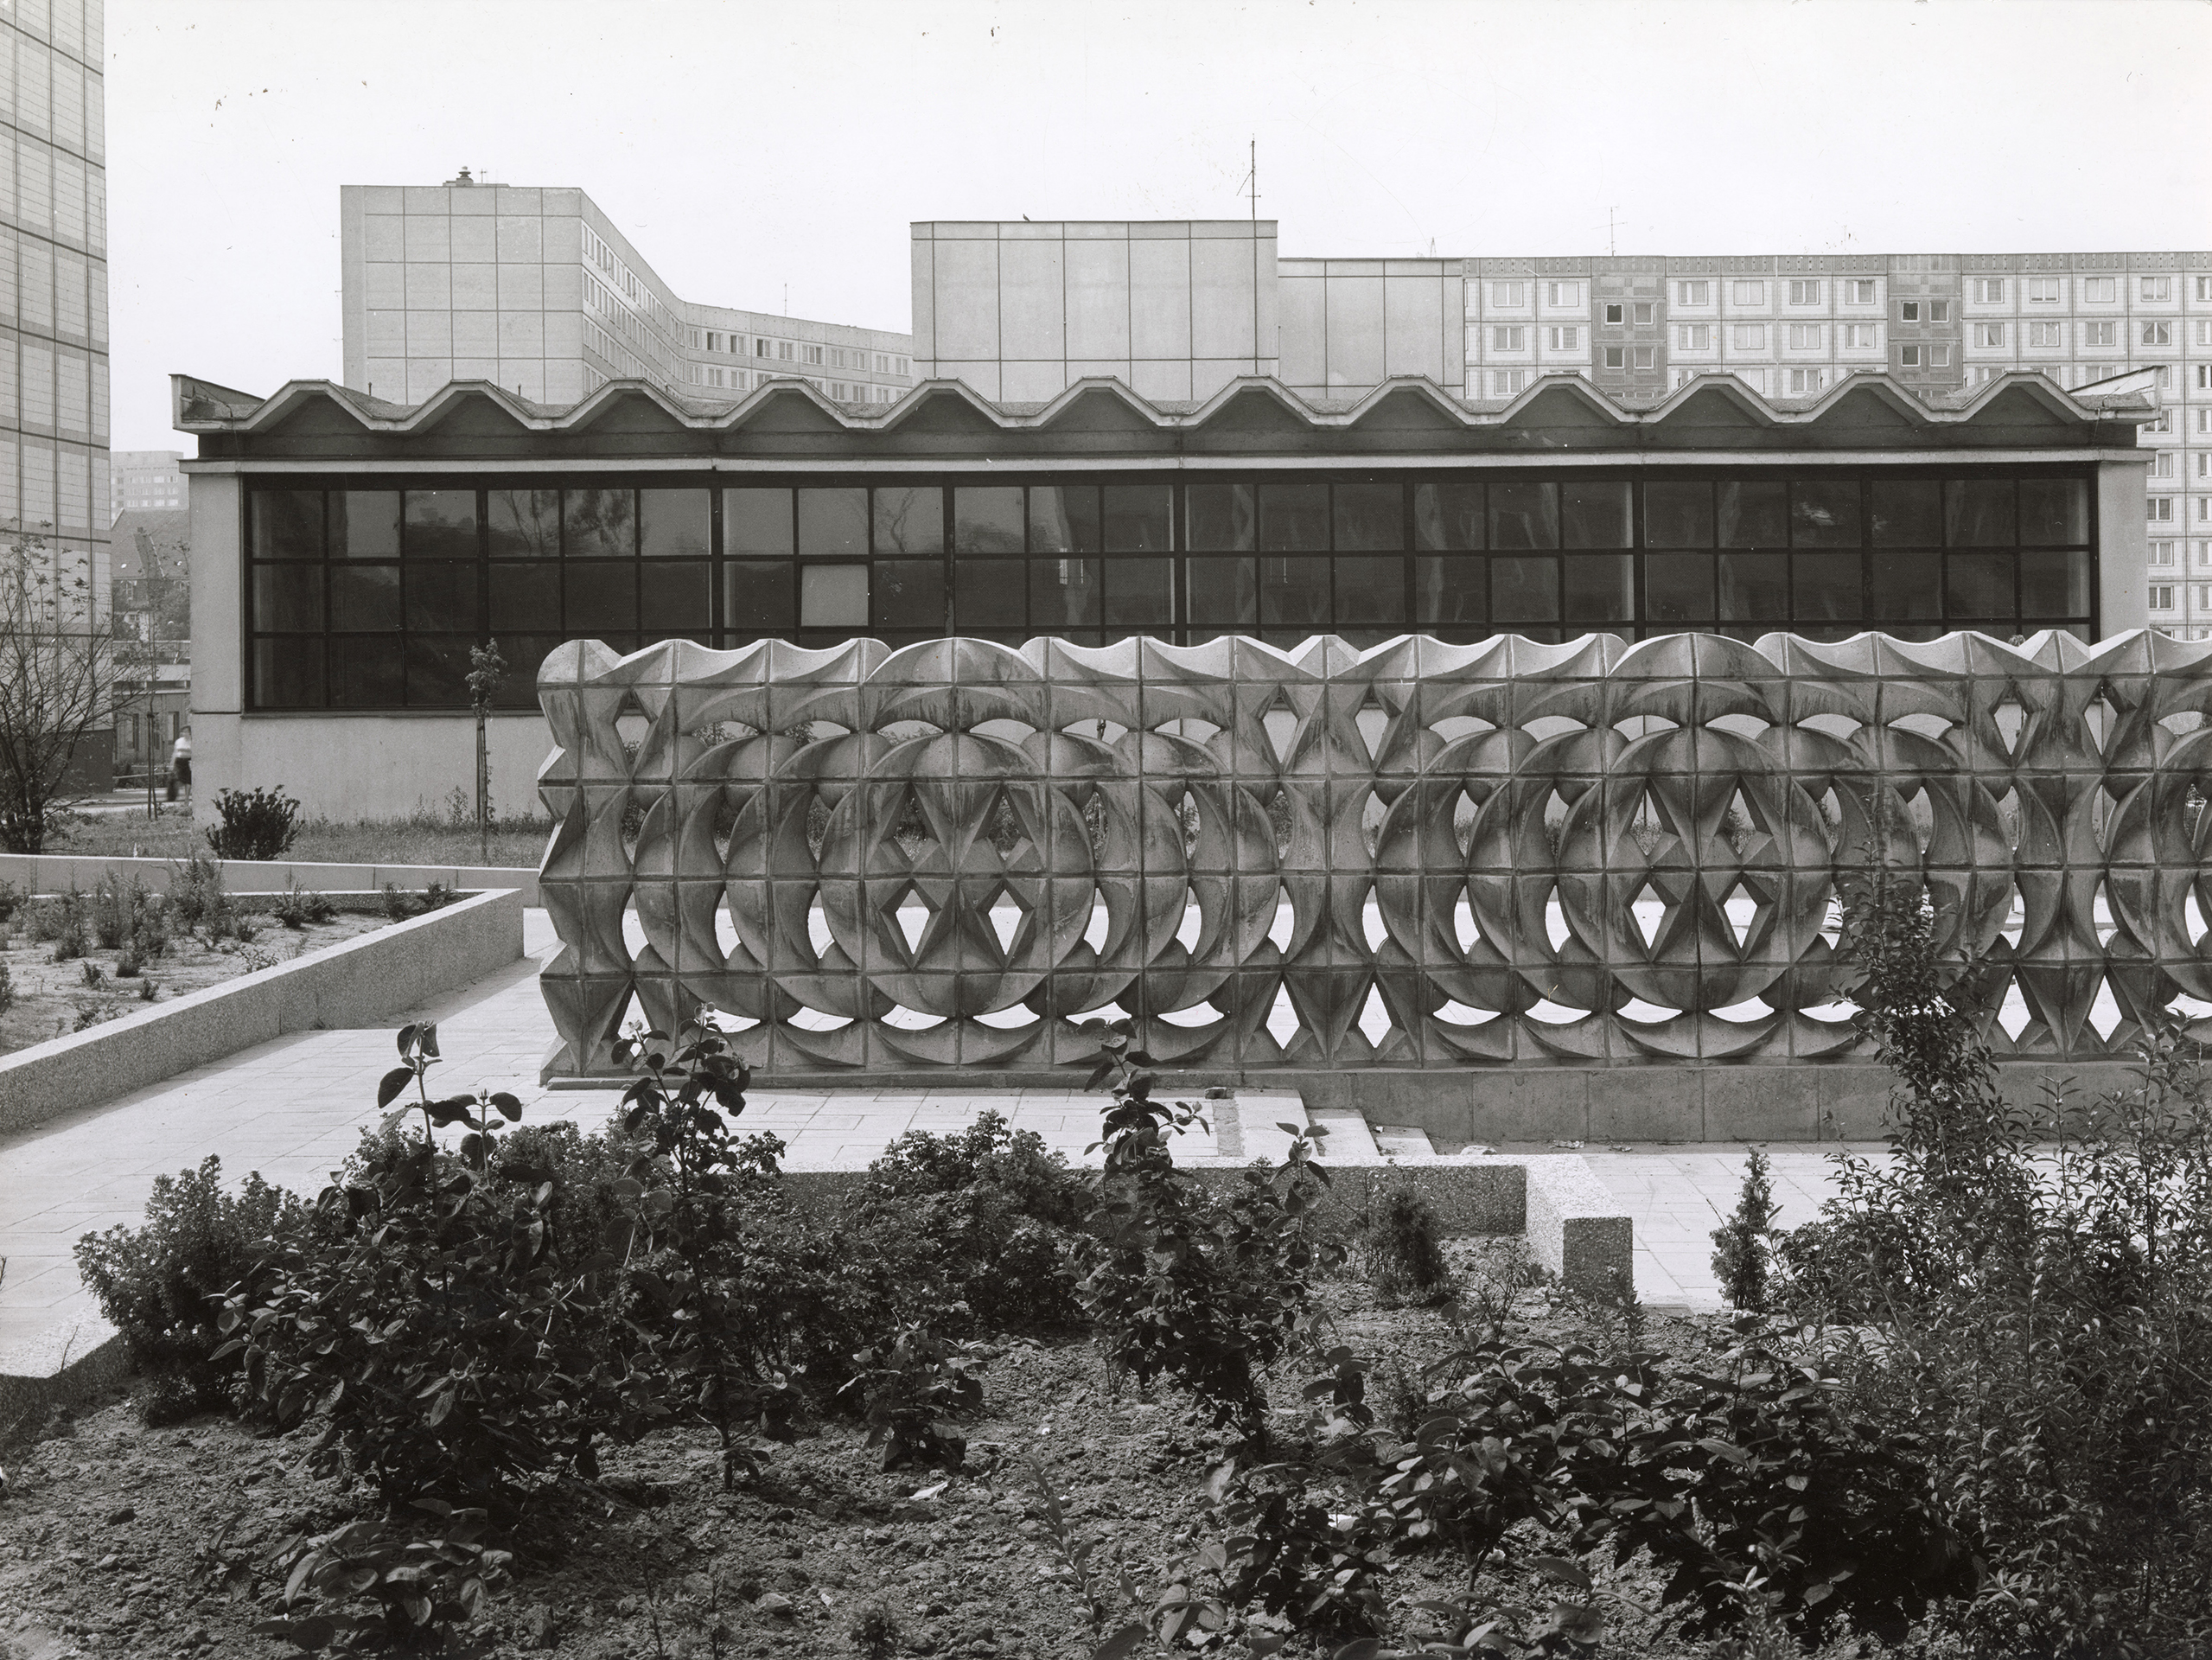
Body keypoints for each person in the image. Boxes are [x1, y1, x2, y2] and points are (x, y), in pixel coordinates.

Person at [170, 726, 192, 798]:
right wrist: (172, 764)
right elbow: (174, 753)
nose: (184, 733)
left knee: (188, 780)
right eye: (183, 732)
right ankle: (175, 794)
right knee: (178, 778)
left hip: (188, 761)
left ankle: (187, 797)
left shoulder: (192, 741)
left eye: (186, 732)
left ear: (190, 733)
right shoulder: (179, 741)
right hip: (179, 761)